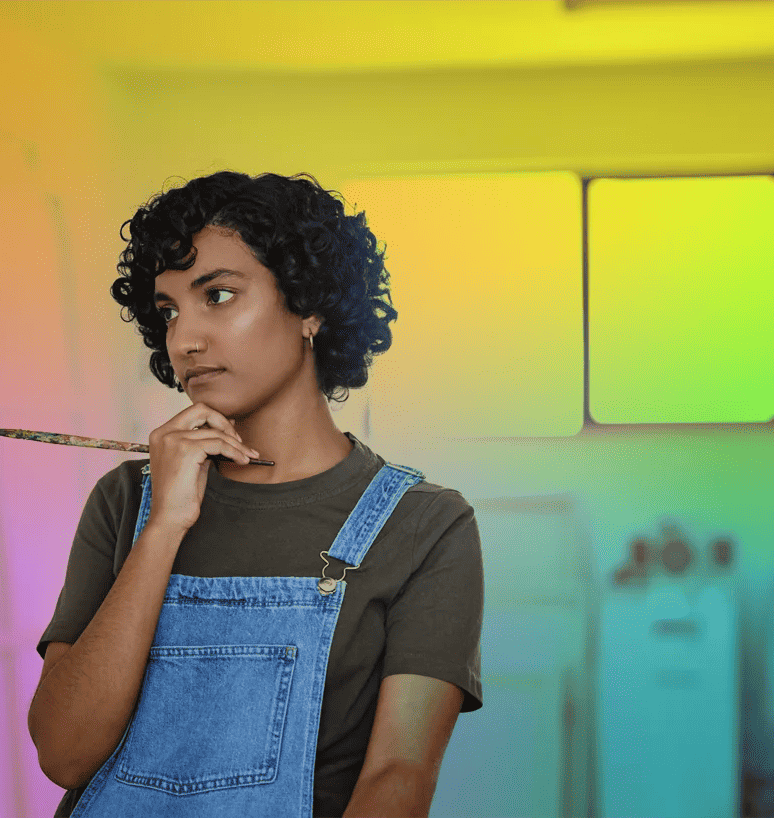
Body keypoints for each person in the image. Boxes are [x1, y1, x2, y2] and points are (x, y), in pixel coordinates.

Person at [27, 171, 484, 817]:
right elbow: (64, 754)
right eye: (168, 311)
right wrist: (164, 527)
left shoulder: (423, 525)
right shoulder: (125, 500)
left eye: (218, 295)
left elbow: (398, 777)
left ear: (309, 307)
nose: (185, 339)